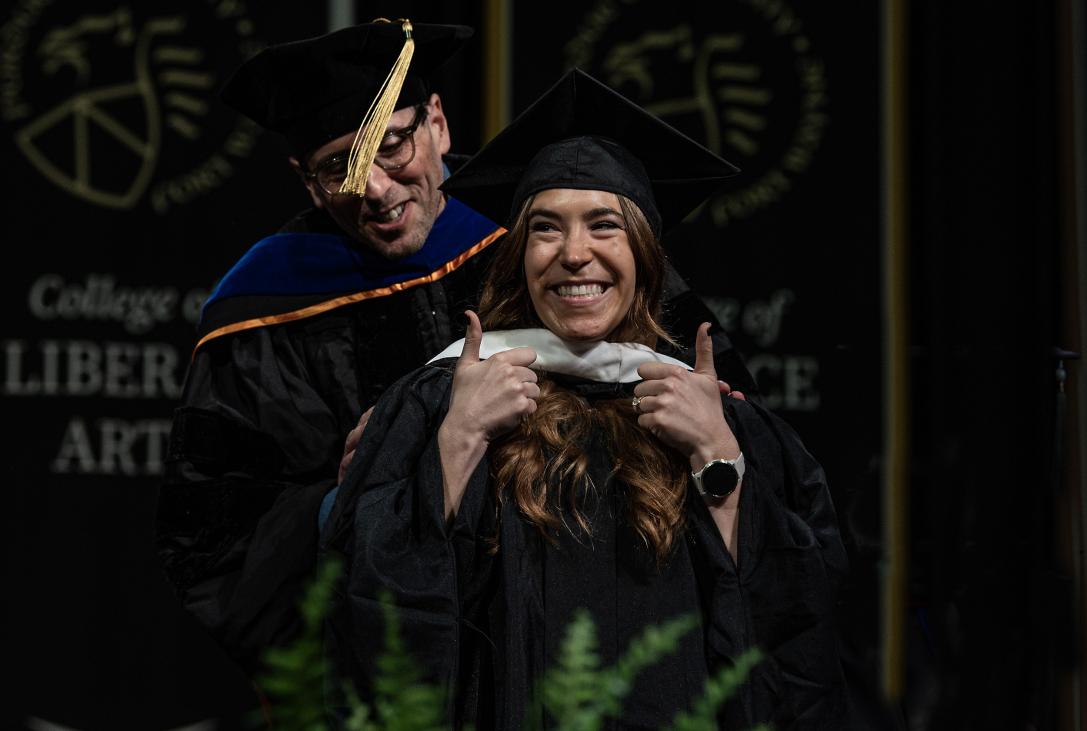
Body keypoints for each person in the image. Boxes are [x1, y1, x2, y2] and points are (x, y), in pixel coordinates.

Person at [155, 20, 757, 676]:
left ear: (436, 123)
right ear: (307, 181)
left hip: (596, 624)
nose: (375, 189)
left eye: (389, 146)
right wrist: (365, 485)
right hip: (408, 654)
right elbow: (217, 549)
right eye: (339, 168)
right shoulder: (265, 312)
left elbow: (725, 431)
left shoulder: (552, 240)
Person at [322, 69, 849, 729]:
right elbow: (369, 621)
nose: (575, 254)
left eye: (603, 225)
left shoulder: (716, 414)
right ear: (518, 254)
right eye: (545, 228)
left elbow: (798, 627)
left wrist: (719, 461)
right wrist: (455, 447)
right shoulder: (440, 400)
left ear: (645, 253)